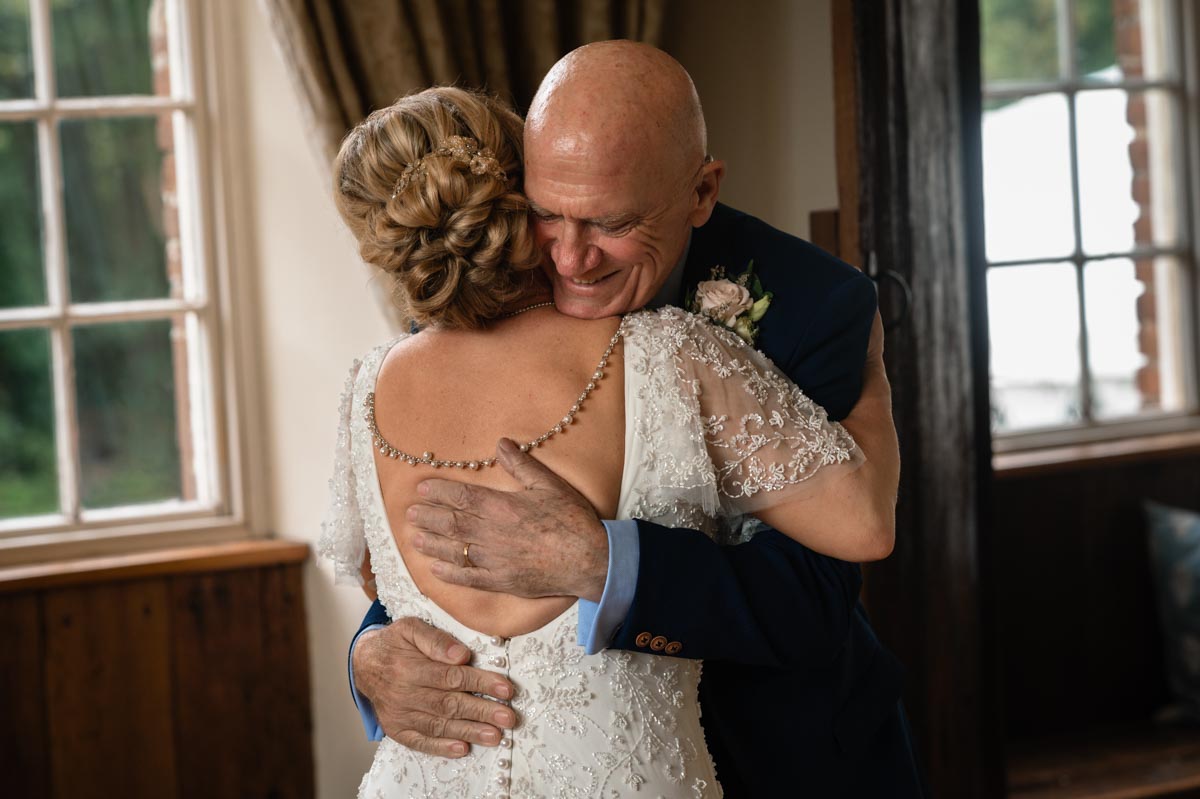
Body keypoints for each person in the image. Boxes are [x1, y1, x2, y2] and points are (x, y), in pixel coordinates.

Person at [341, 43, 924, 797]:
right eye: (548, 213)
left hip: (785, 754)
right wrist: (370, 655)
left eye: (610, 224)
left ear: (702, 191)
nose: (572, 260)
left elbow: (814, 602)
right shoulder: (507, 277)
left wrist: (605, 564)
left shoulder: (814, 308)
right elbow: (453, 521)